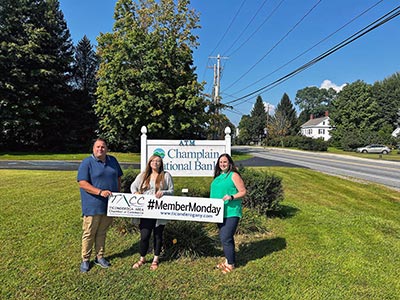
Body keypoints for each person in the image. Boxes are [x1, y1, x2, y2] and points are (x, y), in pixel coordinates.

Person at [77, 138, 123, 273]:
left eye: (103, 147)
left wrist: (118, 194)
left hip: (110, 205)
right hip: (93, 205)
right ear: (93, 148)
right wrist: (100, 192)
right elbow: (82, 183)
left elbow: (118, 177)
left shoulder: (112, 161)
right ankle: (85, 259)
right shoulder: (87, 163)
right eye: (97, 147)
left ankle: (100, 256)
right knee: (89, 232)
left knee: (102, 232)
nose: (100, 149)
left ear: (107, 149)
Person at [130, 154, 174, 271]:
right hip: (146, 210)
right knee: (144, 235)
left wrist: (163, 192)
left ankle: (155, 259)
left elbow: (171, 190)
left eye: (158, 161)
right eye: (153, 161)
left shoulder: (166, 175)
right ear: (149, 163)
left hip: (160, 210)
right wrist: (136, 194)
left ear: (161, 164)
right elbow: (133, 187)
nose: (155, 163)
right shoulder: (144, 175)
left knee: (158, 235)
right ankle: (142, 258)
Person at [210, 153, 246, 274]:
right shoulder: (218, 177)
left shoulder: (234, 175)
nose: (222, 164)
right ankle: (227, 260)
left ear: (230, 163)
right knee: (225, 237)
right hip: (218, 212)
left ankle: (231, 264)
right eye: (220, 162)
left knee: (225, 237)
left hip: (231, 212)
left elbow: (243, 191)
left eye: (225, 162)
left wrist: (231, 196)